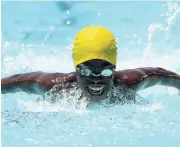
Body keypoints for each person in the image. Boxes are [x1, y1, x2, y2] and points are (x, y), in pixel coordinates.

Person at [1, 26, 180, 104]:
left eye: (105, 72)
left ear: (114, 69)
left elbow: (162, 73)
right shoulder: (56, 85)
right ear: (76, 70)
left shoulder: (128, 81)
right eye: (87, 71)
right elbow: (18, 80)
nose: (96, 80)